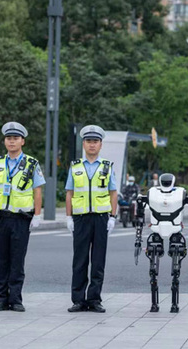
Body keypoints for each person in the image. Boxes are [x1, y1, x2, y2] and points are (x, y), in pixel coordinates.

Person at [0, 122, 45, 313]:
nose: (12, 141)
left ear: (22, 141)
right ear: (5, 141)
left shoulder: (32, 164)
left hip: (20, 219)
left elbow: (37, 191)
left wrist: (37, 215)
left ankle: (16, 299)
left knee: (17, 260)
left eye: (15, 138)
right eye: (9, 138)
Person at [65, 125, 118, 313]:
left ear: (101, 144)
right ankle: (78, 299)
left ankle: (94, 299)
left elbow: (113, 193)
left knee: (98, 260)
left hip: (101, 218)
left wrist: (112, 216)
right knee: (79, 260)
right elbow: (69, 193)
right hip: (80, 218)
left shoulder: (107, 166)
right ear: (83, 144)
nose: (92, 145)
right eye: (88, 141)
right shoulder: (75, 166)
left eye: (95, 141)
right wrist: (69, 216)